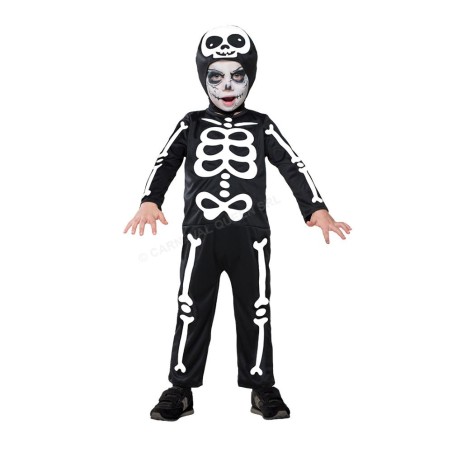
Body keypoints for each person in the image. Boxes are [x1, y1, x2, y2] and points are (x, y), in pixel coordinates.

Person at [123, 25, 351, 421]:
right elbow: (165, 161)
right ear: (203, 78)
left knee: (256, 308)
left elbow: (291, 164)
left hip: (252, 235)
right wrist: (149, 199)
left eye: (238, 75)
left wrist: (315, 207)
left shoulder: (262, 124)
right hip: (200, 234)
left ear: (251, 77)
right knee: (190, 307)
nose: (227, 86)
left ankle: (262, 387)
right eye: (216, 76)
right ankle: (181, 388)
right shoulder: (191, 123)